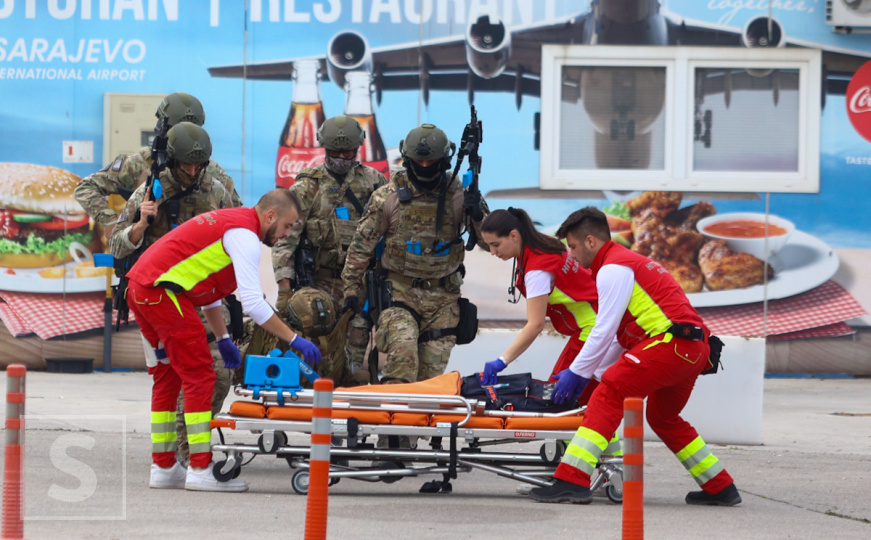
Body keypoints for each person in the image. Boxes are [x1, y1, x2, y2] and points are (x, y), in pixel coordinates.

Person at [529, 206, 740, 506]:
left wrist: (578, 372)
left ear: (590, 241)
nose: (572, 256)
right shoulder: (629, 263)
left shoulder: (612, 268)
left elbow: (603, 329)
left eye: (573, 247)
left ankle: (570, 480)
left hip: (670, 346)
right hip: (693, 349)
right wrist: (591, 372)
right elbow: (617, 338)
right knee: (662, 417)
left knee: (610, 392)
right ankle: (720, 486)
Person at [128, 189, 322, 492]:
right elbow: (254, 305)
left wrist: (222, 338)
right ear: (270, 216)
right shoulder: (245, 236)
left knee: (166, 376)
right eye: (286, 226)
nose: (285, 234)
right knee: (200, 375)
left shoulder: (232, 226)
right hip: (163, 293)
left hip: (142, 291)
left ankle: (164, 466)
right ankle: (200, 468)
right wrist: (294, 339)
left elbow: (209, 295)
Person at [108, 122, 237, 467]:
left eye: (199, 165)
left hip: (204, 296)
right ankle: (178, 459)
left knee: (218, 369)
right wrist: (141, 224)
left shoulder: (216, 191)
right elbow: (116, 244)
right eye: (185, 165)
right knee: (170, 376)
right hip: (161, 299)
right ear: (173, 160)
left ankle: (187, 450)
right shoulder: (150, 191)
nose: (192, 172)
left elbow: (237, 231)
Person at [341, 123, 490, 385]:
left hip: (443, 300)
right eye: (418, 161)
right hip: (398, 293)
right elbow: (360, 247)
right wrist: (351, 291)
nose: (424, 166)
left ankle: (414, 425)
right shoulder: (387, 197)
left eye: (430, 161)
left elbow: (490, 242)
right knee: (403, 361)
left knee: (429, 383)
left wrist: (477, 214)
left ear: (444, 160)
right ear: (407, 159)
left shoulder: (459, 195)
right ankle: (391, 424)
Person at [271, 115, 386, 384]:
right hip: (317, 284)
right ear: (325, 147)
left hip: (359, 286)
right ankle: (312, 415)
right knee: (316, 355)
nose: (343, 157)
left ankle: (350, 420)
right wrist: (285, 290)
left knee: (355, 358)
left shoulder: (375, 183)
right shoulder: (308, 187)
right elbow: (286, 241)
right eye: (336, 151)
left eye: (349, 151)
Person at [478, 207, 621, 404]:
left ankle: (590, 435)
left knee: (558, 398)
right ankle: (597, 434)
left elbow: (535, 325)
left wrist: (502, 361)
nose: (493, 252)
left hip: (593, 329)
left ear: (513, 235)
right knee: (583, 401)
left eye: (495, 245)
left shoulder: (537, 270)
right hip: (603, 324)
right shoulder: (545, 245)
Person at [75, 92, 241, 240]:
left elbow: (236, 215)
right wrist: (110, 220)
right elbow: (85, 187)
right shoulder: (139, 164)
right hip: (147, 261)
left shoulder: (210, 171)